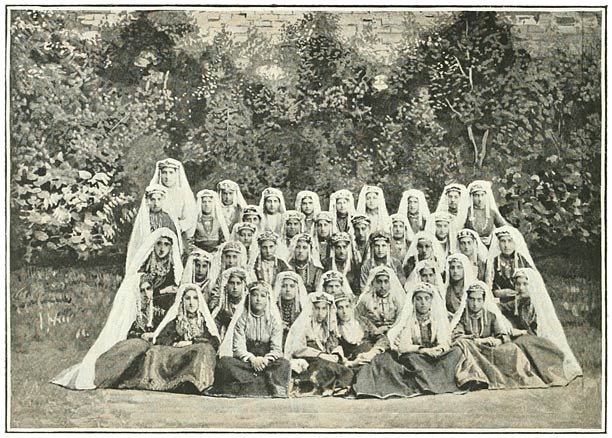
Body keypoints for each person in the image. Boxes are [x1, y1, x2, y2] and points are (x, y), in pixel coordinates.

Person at [51, 228, 184, 390]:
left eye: (166, 245)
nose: (162, 248)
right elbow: (136, 291)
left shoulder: (173, 271)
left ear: (171, 247)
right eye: (159, 244)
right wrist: (161, 291)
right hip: (140, 315)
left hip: (160, 316)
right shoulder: (144, 266)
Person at [354, 282, 466, 398]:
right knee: (410, 358)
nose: (423, 303)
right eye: (419, 299)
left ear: (431, 301)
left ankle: (438, 380)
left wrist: (439, 349)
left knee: (456, 352)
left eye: (426, 298)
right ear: (414, 301)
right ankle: (429, 382)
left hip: (434, 356)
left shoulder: (436, 319)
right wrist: (423, 350)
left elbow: (444, 341)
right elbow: (404, 346)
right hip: (418, 356)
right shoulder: (408, 320)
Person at [104, 283, 220, 394]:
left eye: (195, 298)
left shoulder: (203, 323)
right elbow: (161, 340)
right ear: (182, 301)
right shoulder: (176, 321)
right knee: (155, 351)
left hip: (194, 357)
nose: (191, 302)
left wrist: (191, 342)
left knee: (203, 349)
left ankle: (196, 383)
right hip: (179, 357)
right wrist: (176, 341)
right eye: (187, 298)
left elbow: (214, 341)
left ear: (199, 302)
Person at [451, 281, 546, 390]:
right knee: (460, 347)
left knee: (513, 348)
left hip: (488, 349)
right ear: (467, 300)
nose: (475, 304)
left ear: (483, 301)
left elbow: (502, 337)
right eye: (472, 299)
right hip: (471, 349)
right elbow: (457, 336)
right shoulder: (463, 317)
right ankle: (475, 378)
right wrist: (473, 341)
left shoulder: (491, 316)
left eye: (479, 300)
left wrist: (487, 341)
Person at [208, 281, 291, 398]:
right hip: (246, 363)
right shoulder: (242, 320)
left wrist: (265, 360)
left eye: (262, 296)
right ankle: (264, 385)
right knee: (224, 363)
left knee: (284, 364)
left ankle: (247, 385)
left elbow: (276, 349)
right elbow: (238, 348)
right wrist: (252, 359)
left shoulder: (273, 322)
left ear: (267, 299)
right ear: (249, 298)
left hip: (266, 363)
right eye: (255, 295)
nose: (258, 299)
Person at [506, 268, 582, 384]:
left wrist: (522, 332)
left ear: (532, 285)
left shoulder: (539, 305)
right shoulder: (519, 302)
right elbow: (501, 307)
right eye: (518, 284)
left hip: (543, 342)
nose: (521, 288)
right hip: (530, 341)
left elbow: (540, 331)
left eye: (525, 284)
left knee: (519, 342)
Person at [93, 273, 168, 389]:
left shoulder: (160, 312)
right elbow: (128, 334)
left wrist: (155, 335)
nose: (146, 294)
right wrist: (141, 336)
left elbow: (166, 331)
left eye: (149, 289)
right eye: (141, 291)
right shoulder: (131, 313)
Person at [284, 292, 354, 397]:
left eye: (324, 309)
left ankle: (336, 387)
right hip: (308, 359)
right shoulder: (303, 325)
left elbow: (333, 344)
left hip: (324, 359)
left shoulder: (327, 326)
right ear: (312, 309)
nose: (320, 313)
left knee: (344, 369)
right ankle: (318, 387)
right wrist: (320, 354)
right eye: (317, 308)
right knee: (326, 367)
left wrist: (335, 354)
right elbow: (296, 348)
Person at [125, 184, 181, 273]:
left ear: (163, 200)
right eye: (153, 200)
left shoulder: (167, 218)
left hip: (165, 255)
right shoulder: (143, 219)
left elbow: (173, 239)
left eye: (159, 199)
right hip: (147, 256)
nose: (156, 203)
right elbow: (138, 241)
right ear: (148, 201)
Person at [148, 158, 198, 251]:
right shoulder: (154, 193)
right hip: (155, 234)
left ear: (176, 174)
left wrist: (177, 227)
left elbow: (190, 218)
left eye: (171, 172)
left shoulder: (184, 193)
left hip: (178, 234)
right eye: (164, 172)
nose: (167, 177)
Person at [485, 226, 535, 316]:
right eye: (503, 241)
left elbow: (534, 285)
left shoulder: (522, 260)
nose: (506, 245)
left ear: (515, 242)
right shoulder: (493, 262)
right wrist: (499, 293)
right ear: (498, 243)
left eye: (510, 241)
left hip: (523, 302)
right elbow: (488, 288)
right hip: (501, 302)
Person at [334, 289, 389, 369]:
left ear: (352, 307)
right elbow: (337, 355)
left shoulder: (363, 321)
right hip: (356, 363)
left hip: (372, 355)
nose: (344, 311)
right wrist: (352, 363)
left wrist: (372, 352)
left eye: (347, 306)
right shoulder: (335, 328)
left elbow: (383, 339)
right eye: (340, 308)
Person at [356, 266, 405, 338]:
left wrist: (389, 328)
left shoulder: (397, 300)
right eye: (379, 282)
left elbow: (402, 320)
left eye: (386, 282)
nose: (382, 286)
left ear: (390, 283)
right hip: (372, 336)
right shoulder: (365, 300)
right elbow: (357, 319)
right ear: (373, 283)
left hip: (394, 335)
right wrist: (372, 330)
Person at [210, 267, 251, 339]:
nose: (235, 287)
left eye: (238, 283)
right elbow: (215, 327)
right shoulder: (222, 306)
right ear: (226, 285)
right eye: (232, 283)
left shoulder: (248, 306)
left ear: (243, 285)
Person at [464, 180, 506, 246]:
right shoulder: (466, 212)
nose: (480, 199)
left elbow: (503, 229)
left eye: (482, 195)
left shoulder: (492, 212)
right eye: (476, 195)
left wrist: (492, 238)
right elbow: (460, 230)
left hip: (489, 245)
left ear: (486, 196)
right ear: (472, 197)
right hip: (470, 246)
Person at [190, 189, 230, 253]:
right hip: (199, 253)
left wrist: (216, 251)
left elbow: (223, 240)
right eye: (204, 202)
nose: (207, 204)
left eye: (209, 202)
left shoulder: (219, 221)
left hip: (215, 253)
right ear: (200, 204)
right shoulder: (195, 221)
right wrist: (199, 252)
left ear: (213, 204)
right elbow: (190, 241)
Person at [274, 272, 309, 343]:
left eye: (292, 286)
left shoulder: (302, 308)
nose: (288, 289)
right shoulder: (274, 307)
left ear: (297, 289)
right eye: (284, 286)